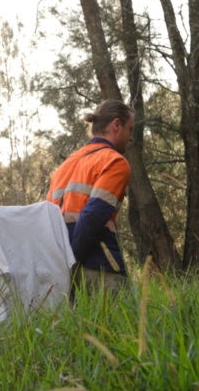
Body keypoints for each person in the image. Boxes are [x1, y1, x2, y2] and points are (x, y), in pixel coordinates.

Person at [47, 99, 134, 297]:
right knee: (123, 327)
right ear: (116, 125)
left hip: (62, 271)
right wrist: (73, 259)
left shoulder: (64, 166)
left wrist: (63, 266)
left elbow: (46, 219)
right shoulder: (114, 161)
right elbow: (93, 214)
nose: (131, 138)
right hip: (99, 268)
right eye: (130, 129)